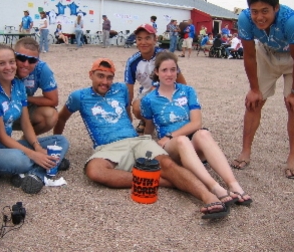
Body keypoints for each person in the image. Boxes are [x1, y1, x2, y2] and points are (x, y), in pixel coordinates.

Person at [54, 58, 233, 219]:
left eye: (109, 77)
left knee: (167, 164)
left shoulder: (121, 89)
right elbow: (61, 118)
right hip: (106, 147)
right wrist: (57, 146)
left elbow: (127, 112)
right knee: (94, 171)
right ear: (91, 75)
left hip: (135, 140)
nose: (105, 82)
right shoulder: (79, 96)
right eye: (100, 76)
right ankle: (166, 182)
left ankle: (208, 196)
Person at [140, 51, 252, 206]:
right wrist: (145, 145)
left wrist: (171, 135)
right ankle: (215, 187)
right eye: (164, 70)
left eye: (173, 69)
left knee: (203, 133)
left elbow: (196, 123)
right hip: (172, 148)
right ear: (156, 72)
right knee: (181, 141)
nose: (169, 74)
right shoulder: (148, 100)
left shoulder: (187, 91)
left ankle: (233, 184)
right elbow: (149, 128)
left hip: (185, 140)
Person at [232, 0, 294, 180]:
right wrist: (254, 89)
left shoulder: (292, 21)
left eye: (265, 11)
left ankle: (292, 158)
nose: (259, 17)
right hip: (267, 52)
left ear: (276, 7)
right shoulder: (244, 19)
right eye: (255, 11)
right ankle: (245, 151)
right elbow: (249, 55)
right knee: (253, 102)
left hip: (293, 57)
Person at [0, 45, 69, 194]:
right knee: (20, 159)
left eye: (11, 62)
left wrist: (36, 147)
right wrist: (33, 154)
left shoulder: (18, 86)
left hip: (7, 146)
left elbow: (25, 123)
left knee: (61, 141)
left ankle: (34, 174)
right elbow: (2, 136)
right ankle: (47, 167)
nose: (9, 67)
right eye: (2, 63)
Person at [124, 24, 187, 134]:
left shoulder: (165, 56)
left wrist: (186, 101)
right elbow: (129, 87)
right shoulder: (132, 62)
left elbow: (181, 80)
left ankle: (170, 121)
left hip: (168, 91)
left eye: (147, 38)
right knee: (137, 108)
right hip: (147, 93)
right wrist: (128, 113)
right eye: (139, 39)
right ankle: (146, 121)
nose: (143, 42)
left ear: (155, 39)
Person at [13, 37, 59, 135]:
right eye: (21, 58)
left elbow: (53, 100)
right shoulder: (5, 65)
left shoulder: (41, 69)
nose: (26, 64)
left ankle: (25, 143)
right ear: (14, 56)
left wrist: (25, 98)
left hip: (23, 108)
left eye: (32, 60)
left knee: (51, 115)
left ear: (37, 61)